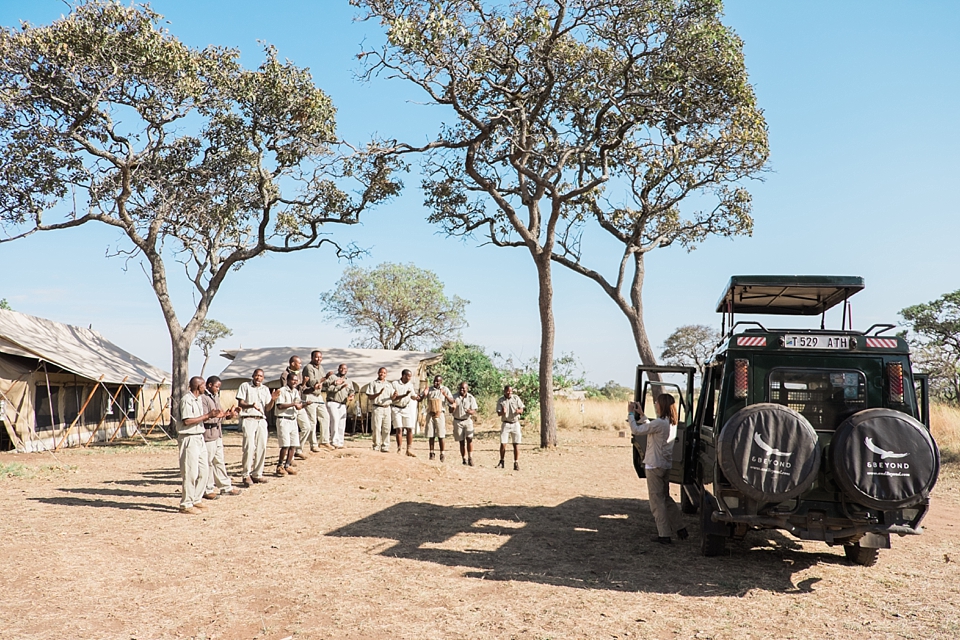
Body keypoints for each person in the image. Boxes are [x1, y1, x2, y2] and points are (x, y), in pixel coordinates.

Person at [627, 394, 688, 544]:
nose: (655, 404)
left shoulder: (660, 423)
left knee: (656, 501)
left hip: (654, 465)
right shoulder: (671, 422)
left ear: (662, 405)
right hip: (665, 464)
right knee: (665, 498)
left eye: (657, 402)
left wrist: (630, 414)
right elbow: (651, 427)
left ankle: (664, 534)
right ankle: (680, 528)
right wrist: (642, 415)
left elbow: (637, 430)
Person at [178, 376, 221, 514]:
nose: (205, 388)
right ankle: (186, 504)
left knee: (204, 470)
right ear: (199, 386)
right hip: (189, 438)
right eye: (203, 385)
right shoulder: (187, 400)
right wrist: (207, 416)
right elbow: (187, 421)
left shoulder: (197, 400)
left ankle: (196, 499)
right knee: (191, 472)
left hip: (199, 437)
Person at [236, 369, 279, 487]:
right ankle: (246, 474)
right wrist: (251, 405)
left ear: (263, 378)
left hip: (261, 419)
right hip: (248, 418)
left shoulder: (265, 389)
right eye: (256, 375)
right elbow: (240, 403)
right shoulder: (245, 386)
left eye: (260, 376)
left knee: (262, 447)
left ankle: (257, 474)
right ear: (252, 376)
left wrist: (273, 400)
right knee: (249, 447)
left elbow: (268, 407)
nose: (258, 378)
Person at [200, 375, 241, 500]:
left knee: (219, 462)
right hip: (208, 435)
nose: (218, 389)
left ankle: (225, 486)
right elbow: (205, 417)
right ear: (209, 385)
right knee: (207, 463)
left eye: (219, 387)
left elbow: (220, 415)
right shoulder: (203, 398)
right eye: (216, 386)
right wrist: (219, 416)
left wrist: (229, 415)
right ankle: (207, 489)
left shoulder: (215, 397)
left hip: (217, 434)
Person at [275, 372, 307, 476]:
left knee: (293, 445)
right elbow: (279, 406)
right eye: (293, 380)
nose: (295, 382)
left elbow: (298, 405)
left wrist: (304, 405)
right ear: (288, 380)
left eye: (296, 380)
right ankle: (279, 466)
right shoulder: (282, 391)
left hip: (293, 419)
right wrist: (293, 404)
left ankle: (287, 465)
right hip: (283, 419)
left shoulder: (295, 392)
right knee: (285, 445)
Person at [280, 355, 311, 460]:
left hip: (299, 404)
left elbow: (303, 389)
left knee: (307, 427)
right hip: (289, 406)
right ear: (292, 363)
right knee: (288, 435)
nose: (300, 365)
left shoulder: (300, 374)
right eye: (299, 363)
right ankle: (289, 457)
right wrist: (302, 383)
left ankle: (298, 449)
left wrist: (311, 388)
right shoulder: (285, 374)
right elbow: (290, 388)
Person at [301, 350, 333, 451]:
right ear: (312, 358)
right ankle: (313, 444)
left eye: (320, 357)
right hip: (310, 394)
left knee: (325, 417)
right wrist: (325, 378)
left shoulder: (321, 368)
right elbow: (312, 382)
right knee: (312, 421)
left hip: (319, 395)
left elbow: (324, 382)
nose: (318, 359)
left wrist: (333, 382)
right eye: (316, 357)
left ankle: (324, 441)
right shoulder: (308, 368)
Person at [424, 375, 456, 462]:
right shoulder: (429, 389)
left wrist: (445, 395)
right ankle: (431, 453)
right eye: (435, 381)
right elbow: (421, 398)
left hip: (440, 413)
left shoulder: (445, 389)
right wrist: (424, 393)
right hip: (430, 413)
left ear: (441, 382)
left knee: (441, 435)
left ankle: (442, 453)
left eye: (438, 381)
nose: (436, 383)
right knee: (431, 435)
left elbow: (452, 401)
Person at [391, 369, 422, 457]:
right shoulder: (395, 384)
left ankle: (409, 449)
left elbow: (412, 396)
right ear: (403, 376)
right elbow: (394, 398)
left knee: (409, 428)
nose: (409, 378)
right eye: (408, 376)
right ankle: (399, 448)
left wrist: (418, 397)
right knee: (399, 428)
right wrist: (404, 395)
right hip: (396, 408)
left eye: (410, 376)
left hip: (406, 408)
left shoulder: (410, 385)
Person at [323, 363, 355, 449]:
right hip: (332, 402)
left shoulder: (349, 381)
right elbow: (327, 388)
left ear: (347, 370)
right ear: (338, 369)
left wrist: (351, 395)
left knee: (342, 423)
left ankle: (340, 442)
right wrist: (339, 387)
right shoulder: (333, 377)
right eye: (341, 368)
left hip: (342, 404)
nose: (343, 370)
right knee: (335, 420)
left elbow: (352, 391)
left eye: (345, 368)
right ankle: (334, 441)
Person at [364, 367, 393, 453]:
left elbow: (392, 397)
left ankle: (385, 446)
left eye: (384, 373)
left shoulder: (389, 384)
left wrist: (395, 395)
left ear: (386, 374)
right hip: (377, 407)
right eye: (381, 372)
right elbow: (370, 396)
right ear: (378, 373)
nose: (382, 374)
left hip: (387, 407)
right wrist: (379, 393)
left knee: (387, 428)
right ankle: (376, 445)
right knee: (376, 427)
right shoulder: (373, 383)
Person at [496, 385, 525, 470]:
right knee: (503, 444)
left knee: (516, 444)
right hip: (506, 424)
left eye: (511, 391)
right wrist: (502, 412)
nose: (509, 393)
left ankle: (516, 462)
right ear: (504, 391)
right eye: (508, 391)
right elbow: (498, 413)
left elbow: (522, 409)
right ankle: (502, 461)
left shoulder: (516, 398)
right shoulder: (501, 400)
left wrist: (518, 411)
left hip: (515, 423)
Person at [451, 381, 479, 466]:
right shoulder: (454, 397)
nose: (462, 389)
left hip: (467, 420)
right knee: (461, 441)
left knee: (469, 439)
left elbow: (474, 410)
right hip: (457, 421)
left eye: (464, 388)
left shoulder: (471, 398)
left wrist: (470, 411)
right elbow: (450, 410)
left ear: (467, 389)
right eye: (461, 388)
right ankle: (464, 458)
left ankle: (470, 457)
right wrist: (453, 407)